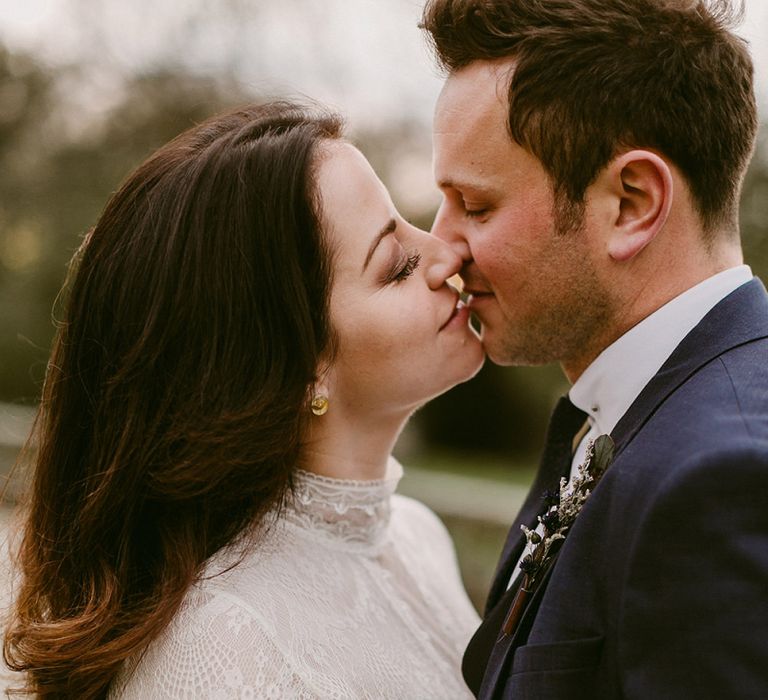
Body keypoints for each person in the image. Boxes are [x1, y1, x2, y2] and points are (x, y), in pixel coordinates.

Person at [3, 101, 485, 698]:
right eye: (398, 265)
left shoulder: (418, 537)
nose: (447, 255)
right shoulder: (222, 649)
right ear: (297, 368)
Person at [422, 0, 767, 697]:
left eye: (477, 206)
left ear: (631, 203)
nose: (440, 247)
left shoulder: (722, 480)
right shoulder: (633, 411)